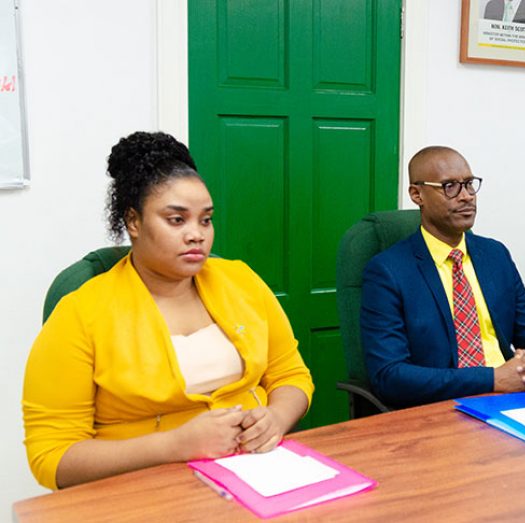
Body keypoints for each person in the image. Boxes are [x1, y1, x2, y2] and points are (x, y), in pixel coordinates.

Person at [23, 131, 314, 490]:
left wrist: (276, 417)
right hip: (144, 490)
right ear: (133, 222)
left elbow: (291, 374)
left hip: (255, 475)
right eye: (177, 220)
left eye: (205, 220)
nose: (197, 235)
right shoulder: (81, 313)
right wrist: (175, 445)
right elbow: (51, 457)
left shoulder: (241, 280)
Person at [360, 146, 525, 408]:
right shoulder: (388, 271)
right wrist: (493, 379)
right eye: (450, 186)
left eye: (469, 184)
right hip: (442, 408)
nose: (466, 196)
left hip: (516, 398)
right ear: (416, 194)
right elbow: (390, 375)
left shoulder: (494, 255)